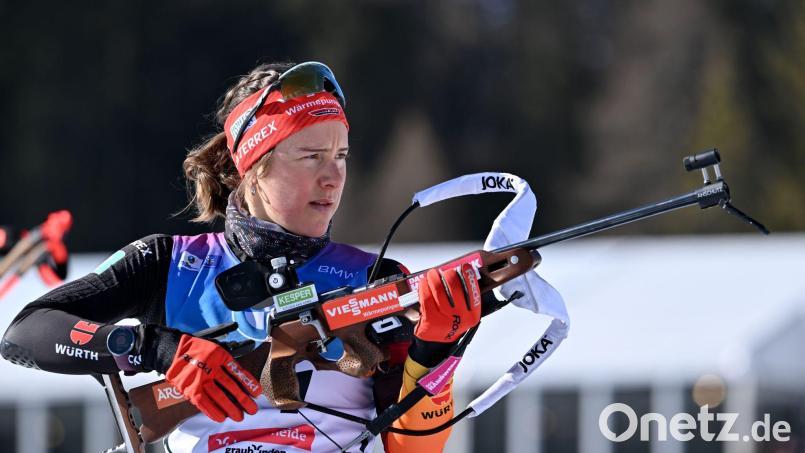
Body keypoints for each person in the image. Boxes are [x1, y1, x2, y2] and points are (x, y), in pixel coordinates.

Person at [1, 61, 483, 453]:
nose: (332, 178)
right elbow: (26, 332)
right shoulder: (168, 264)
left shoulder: (376, 278)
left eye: (341, 156)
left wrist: (436, 353)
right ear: (250, 166)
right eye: (311, 156)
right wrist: (158, 348)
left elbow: (413, 449)